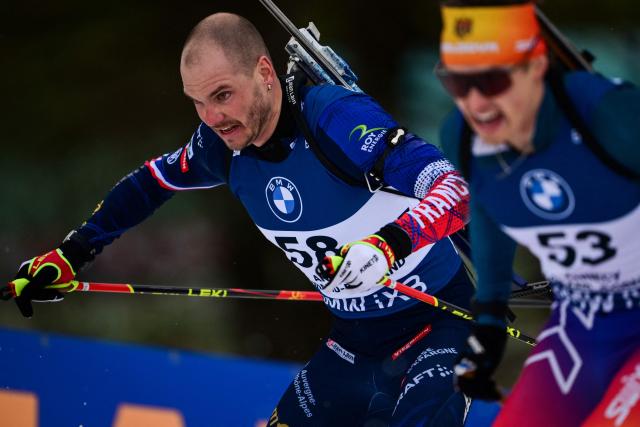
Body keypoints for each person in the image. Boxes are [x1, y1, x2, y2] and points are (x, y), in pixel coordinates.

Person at [2, 13, 478, 426]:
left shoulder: (334, 119)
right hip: (355, 340)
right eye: (197, 102)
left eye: (223, 94)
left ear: (264, 73)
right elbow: (149, 183)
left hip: (440, 322)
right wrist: (73, 253)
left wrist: (388, 244)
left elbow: (453, 190)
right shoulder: (219, 147)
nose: (212, 116)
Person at [435, 1, 640, 426]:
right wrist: (489, 319)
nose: (476, 103)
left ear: (535, 67)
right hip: (583, 324)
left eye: (491, 80)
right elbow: (491, 209)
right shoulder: (464, 137)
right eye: (457, 82)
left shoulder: (609, 117)